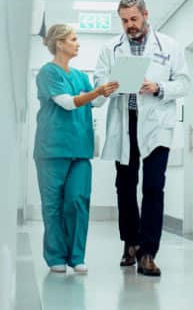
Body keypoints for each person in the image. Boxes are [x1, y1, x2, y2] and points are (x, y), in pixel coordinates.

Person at [94, 0, 190, 276]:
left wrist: (157, 86)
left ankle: (148, 252)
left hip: (157, 125)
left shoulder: (169, 46)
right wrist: (108, 85)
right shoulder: (110, 48)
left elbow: (183, 83)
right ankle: (130, 243)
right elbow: (98, 83)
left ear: (146, 14)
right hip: (126, 122)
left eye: (134, 19)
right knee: (124, 187)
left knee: (153, 187)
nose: (129, 25)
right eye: (124, 21)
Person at [34, 24, 119, 274]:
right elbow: (68, 103)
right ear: (60, 43)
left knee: (78, 201)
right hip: (52, 149)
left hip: (80, 150)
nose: (77, 43)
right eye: (73, 39)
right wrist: (97, 92)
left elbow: (97, 101)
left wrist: (113, 87)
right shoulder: (47, 73)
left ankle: (77, 256)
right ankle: (56, 257)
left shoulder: (81, 76)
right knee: (53, 205)